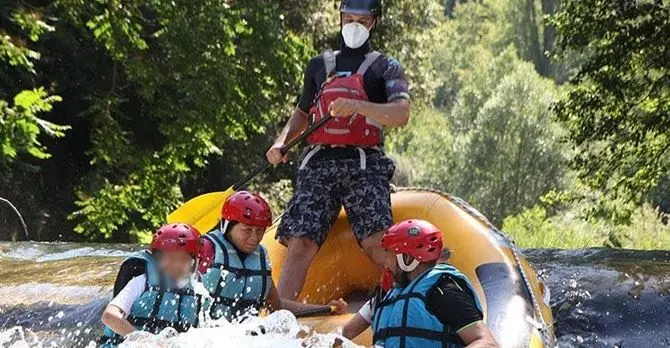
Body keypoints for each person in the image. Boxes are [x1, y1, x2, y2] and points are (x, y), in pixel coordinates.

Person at [266, 0, 411, 301]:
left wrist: (357, 106)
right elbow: (302, 113)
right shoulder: (318, 66)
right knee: (301, 242)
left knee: (375, 242)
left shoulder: (387, 67)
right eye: (349, 18)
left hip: (364, 163)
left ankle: (409, 298)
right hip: (318, 163)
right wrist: (282, 142)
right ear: (341, 18)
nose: (354, 25)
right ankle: (280, 312)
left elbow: (401, 114)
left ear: (373, 22)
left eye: (362, 19)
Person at [198, 191, 348, 322]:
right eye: (247, 230)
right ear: (227, 225)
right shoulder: (205, 249)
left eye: (259, 230)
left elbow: (278, 307)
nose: (254, 237)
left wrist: (326, 309)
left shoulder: (259, 258)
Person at [371, 219, 499, 348]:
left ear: (407, 258)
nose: (386, 264)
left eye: (389, 255)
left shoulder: (443, 292)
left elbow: (487, 343)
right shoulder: (392, 295)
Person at [99, 223, 203, 347]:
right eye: (171, 258)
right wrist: (144, 340)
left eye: (184, 259)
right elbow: (109, 316)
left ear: (195, 262)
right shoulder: (142, 281)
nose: (177, 265)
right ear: (158, 258)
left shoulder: (198, 290)